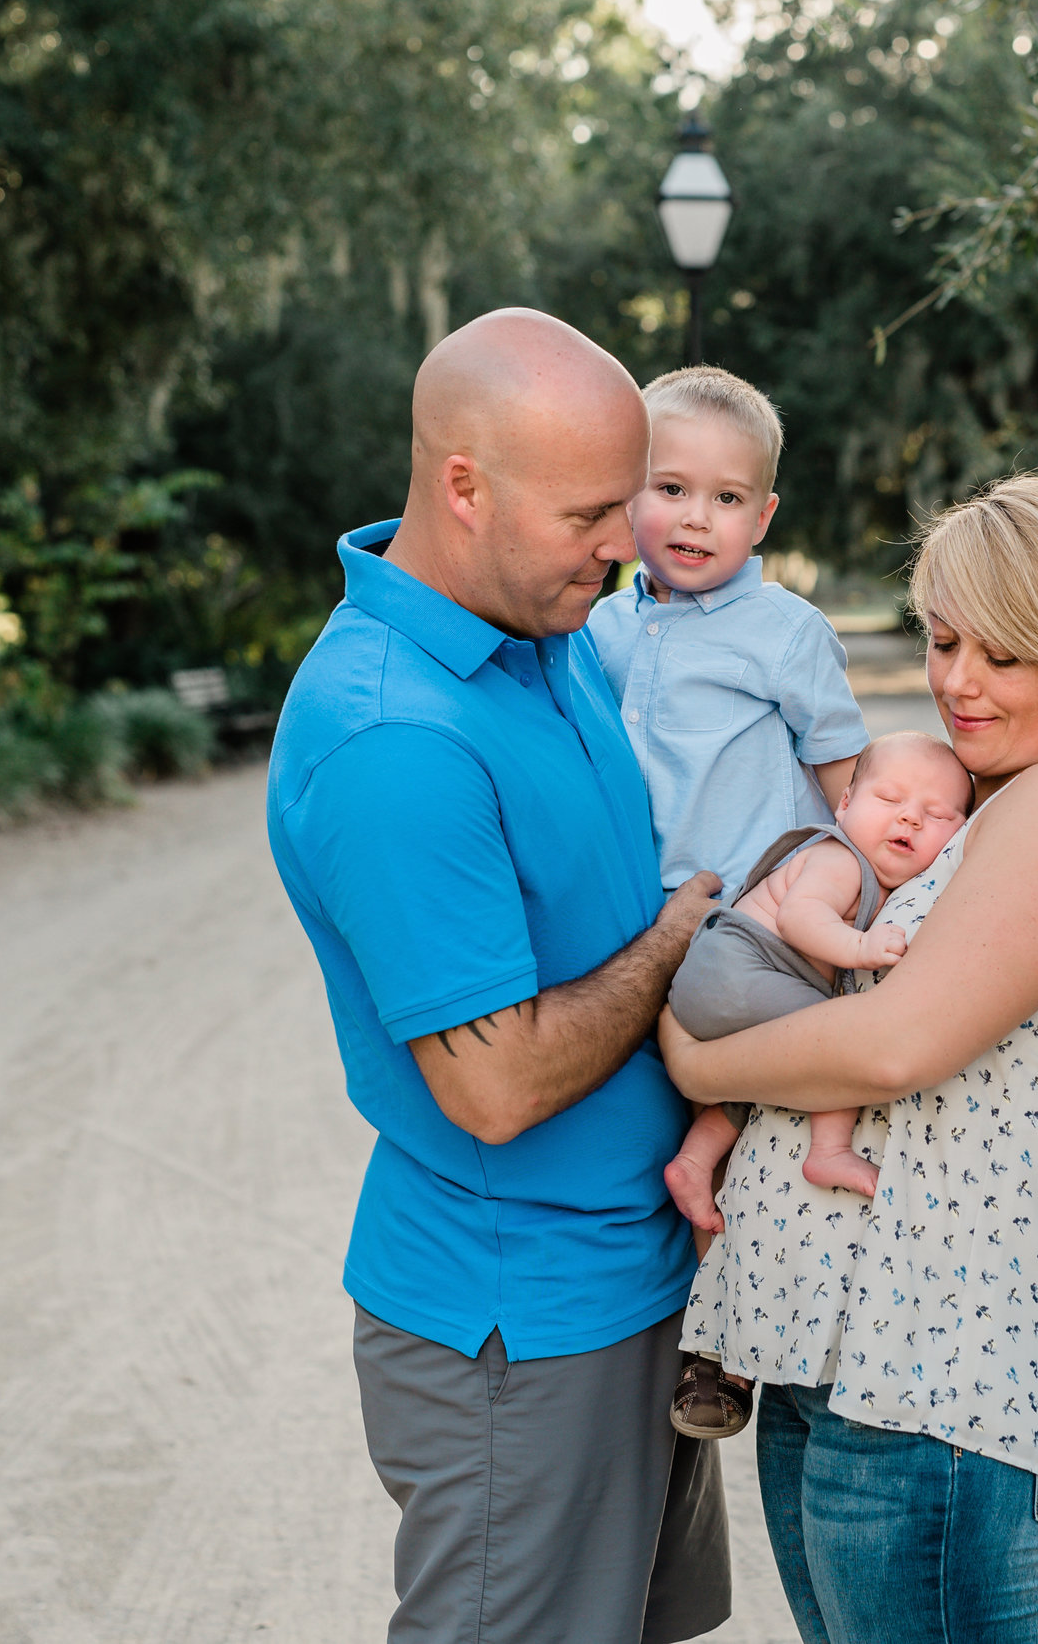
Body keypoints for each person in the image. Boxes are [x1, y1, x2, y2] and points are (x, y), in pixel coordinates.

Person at [660, 475, 1038, 1644]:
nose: (956, 681)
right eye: (945, 640)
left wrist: (700, 1060)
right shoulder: (990, 805)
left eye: (1005, 656)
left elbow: (894, 1043)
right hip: (864, 1377)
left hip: (951, 1402)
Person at [265, 308, 730, 1644]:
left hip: (628, 1281)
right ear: (462, 486)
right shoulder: (392, 737)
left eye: (629, 503)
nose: (624, 545)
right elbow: (499, 1082)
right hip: (516, 1326)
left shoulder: (548, 635)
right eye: (590, 511)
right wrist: (677, 938)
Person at [657, 732, 972, 1445]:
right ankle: (829, 1147)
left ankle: (697, 1160)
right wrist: (862, 949)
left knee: (759, 1079)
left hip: (729, 987)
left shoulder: (879, 871)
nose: (909, 820)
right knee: (838, 1043)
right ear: (847, 801)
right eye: (890, 800)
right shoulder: (837, 858)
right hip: (739, 970)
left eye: (938, 815)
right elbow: (802, 920)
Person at [585, 364, 869, 904]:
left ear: (763, 518)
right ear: (627, 492)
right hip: (634, 908)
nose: (698, 518)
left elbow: (850, 790)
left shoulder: (788, 633)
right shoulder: (600, 626)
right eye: (671, 488)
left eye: (728, 499)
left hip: (755, 913)